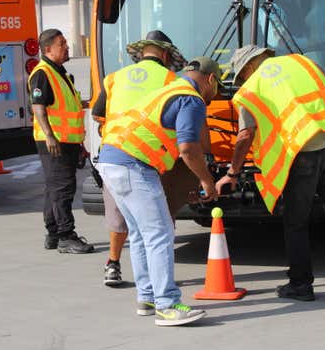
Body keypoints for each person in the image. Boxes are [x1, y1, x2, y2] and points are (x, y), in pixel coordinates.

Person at [216, 45, 325, 302]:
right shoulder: (304, 64)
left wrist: (232, 173)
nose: (243, 80)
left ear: (248, 67)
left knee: (296, 222)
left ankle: (301, 284)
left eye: (241, 76)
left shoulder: (252, 88)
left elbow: (246, 135)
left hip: (301, 154)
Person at [97, 56, 221, 326]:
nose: (215, 93)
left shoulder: (169, 89)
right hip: (133, 165)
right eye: (217, 86)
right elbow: (188, 148)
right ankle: (167, 304)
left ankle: (148, 297)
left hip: (110, 160)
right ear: (210, 79)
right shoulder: (191, 98)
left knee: (142, 234)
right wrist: (207, 181)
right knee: (160, 233)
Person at [91, 30, 206, 287]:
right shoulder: (171, 80)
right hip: (146, 159)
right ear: (166, 55)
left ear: (141, 54)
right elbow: (180, 123)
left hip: (112, 153)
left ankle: (123, 273)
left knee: (130, 225)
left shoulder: (114, 78)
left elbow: (98, 115)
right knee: (159, 230)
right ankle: (164, 299)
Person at [29, 29, 93, 254]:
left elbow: (65, 106)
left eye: (66, 42)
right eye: (61, 44)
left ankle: (54, 233)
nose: (67, 47)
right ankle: (66, 235)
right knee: (63, 188)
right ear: (48, 49)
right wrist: (49, 135)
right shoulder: (43, 73)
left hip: (66, 140)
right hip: (55, 141)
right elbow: (38, 107)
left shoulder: (59, 72)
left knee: (53, 188)